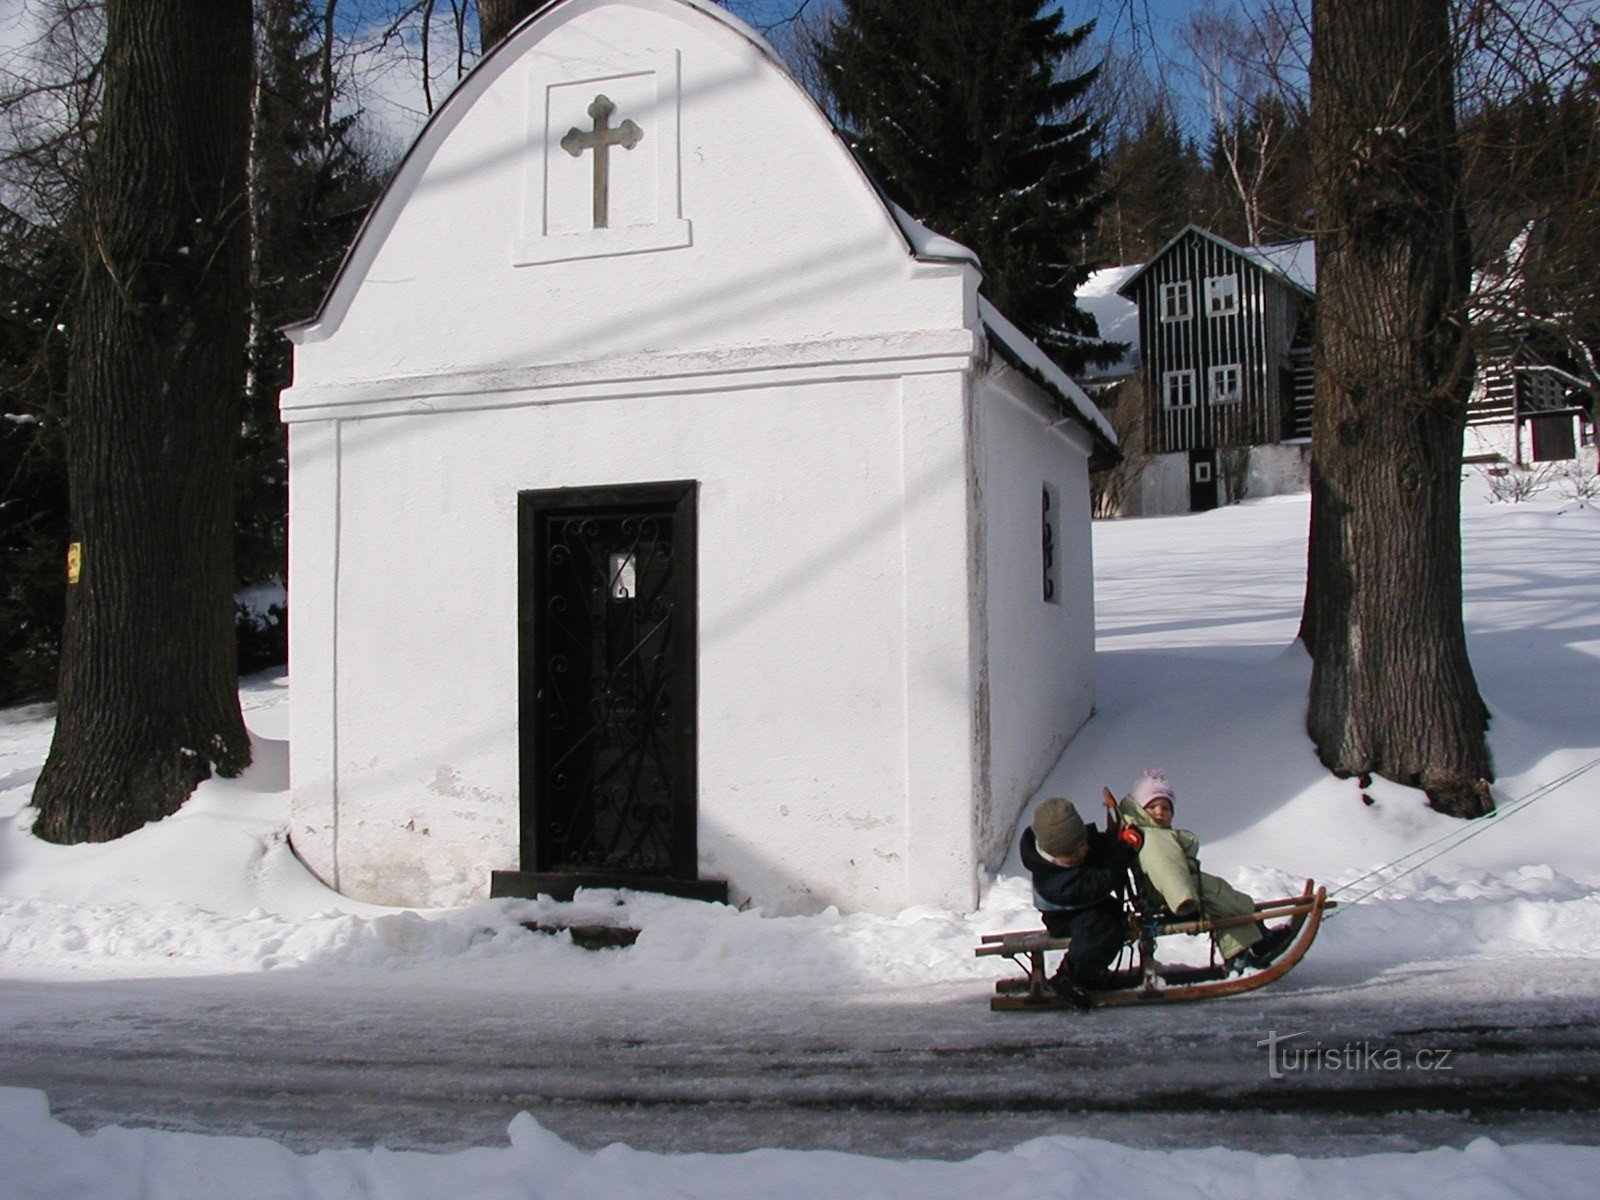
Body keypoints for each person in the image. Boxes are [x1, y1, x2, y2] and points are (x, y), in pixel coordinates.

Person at [1107, 770, 1293, 970]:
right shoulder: (1155, 839)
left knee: (1225, 902)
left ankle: (1253, 941)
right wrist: (1182, 900)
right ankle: (1249, 947)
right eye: (1152, 807)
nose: (1160, 812)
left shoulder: (1154, 834)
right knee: (1226, 903)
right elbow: (1167, 871)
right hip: (1174, 898)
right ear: (1141, 811)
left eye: (1166, 808)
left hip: (1179, 891)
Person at [1019, 796, 1141, 1010]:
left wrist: (1116, 840)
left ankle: (1094, 972)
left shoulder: (1075, 846)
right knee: (1100, 930)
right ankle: (1071, 976)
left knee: (1112, 920)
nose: (1080, 854)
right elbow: (1097, 882)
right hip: (1065, 918)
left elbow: (1096, 848)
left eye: (1082, 845)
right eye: (1070, 854)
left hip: (1085, 906)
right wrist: (1123, 855)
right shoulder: (1055, 881)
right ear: (1053, 853)